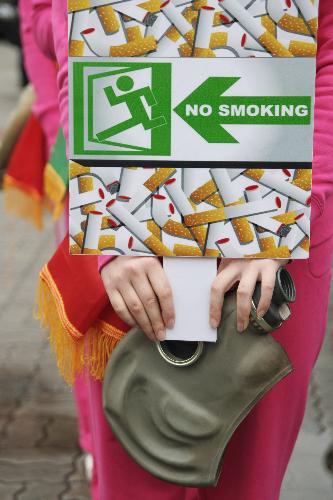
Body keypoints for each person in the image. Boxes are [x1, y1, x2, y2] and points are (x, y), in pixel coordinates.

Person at [42, 0, 333, 498]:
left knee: (247, 486)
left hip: (272, 245)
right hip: (131, 238)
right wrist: (114, 226)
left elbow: (326, 59)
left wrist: (279, 218)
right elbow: (81, 53)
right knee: (136, 473)